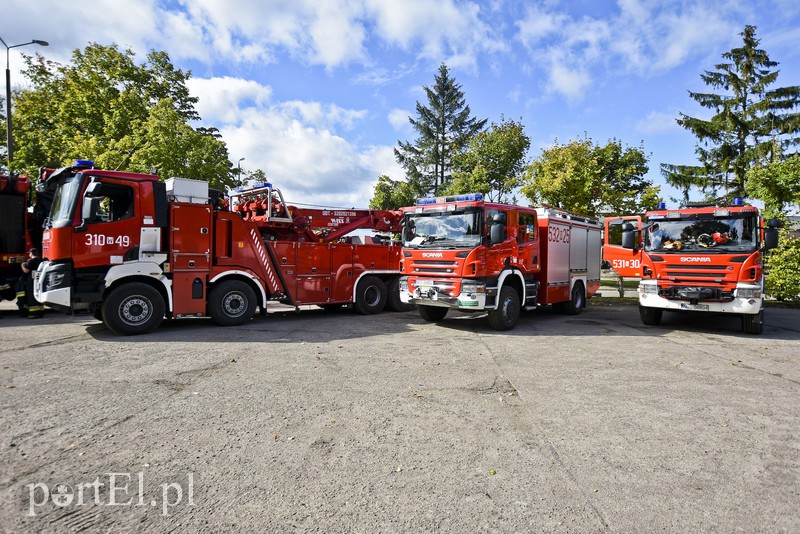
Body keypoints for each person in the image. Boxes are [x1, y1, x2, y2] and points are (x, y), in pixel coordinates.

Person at [18, 248, 44, 319]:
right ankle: (40, 312)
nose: (29, 254)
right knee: (39, 296)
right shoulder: (41, 261)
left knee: (31, 297)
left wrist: (23, 265)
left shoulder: (31, 261)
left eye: (29, 253)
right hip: (40, 280)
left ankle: (34, 313)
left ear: (31, 253)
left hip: (32, 281)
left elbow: (26, 271)